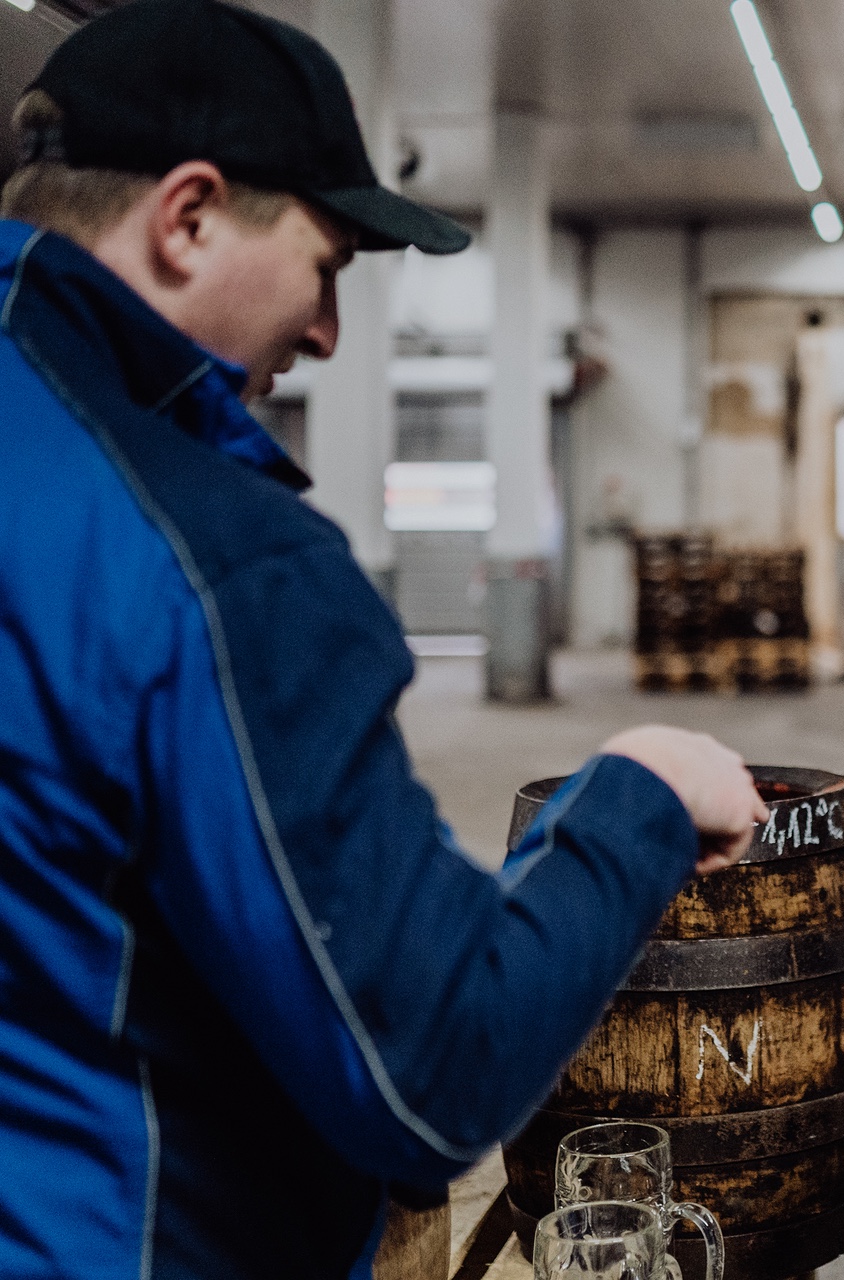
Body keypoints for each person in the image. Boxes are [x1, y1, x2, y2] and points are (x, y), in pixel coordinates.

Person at [0, 0, 767, 1274]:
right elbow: (429, 1074)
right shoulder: (211, 557)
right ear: (188, 218)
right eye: (328, 267)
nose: (326, 334)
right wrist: (641, 792)